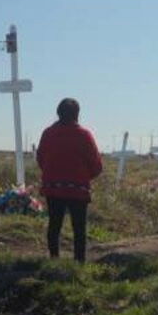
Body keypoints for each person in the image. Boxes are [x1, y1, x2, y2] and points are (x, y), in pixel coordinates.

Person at [36, 98, 103, 262]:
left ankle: (54, 259)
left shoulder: (48, 133)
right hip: (78, 189)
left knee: (54, 224)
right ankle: (79, 263)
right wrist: (84, 178)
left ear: (58, 113)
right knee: (79, 227)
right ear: (77, 114)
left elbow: (41, 158)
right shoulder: (84, 135)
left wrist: (51, 174)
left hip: (53, 187)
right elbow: (96, 164)